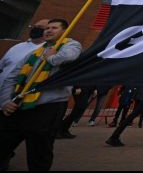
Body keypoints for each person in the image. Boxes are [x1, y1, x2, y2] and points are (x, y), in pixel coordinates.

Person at [0, 18, 82, 171]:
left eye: (54, 28)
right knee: (4, 142)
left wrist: (50, 57)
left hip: (47, 108)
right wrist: (5, 101)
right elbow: (13, 76)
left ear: (65, 31)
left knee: (39, 152)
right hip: (20, 105)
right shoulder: (34, 52)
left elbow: (69, 57)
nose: (48, 30)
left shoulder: (71, 45)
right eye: (47, 28)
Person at [0, 19, 49, 87]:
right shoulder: (18, 46)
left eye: (39, 27)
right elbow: (2, 66)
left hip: (17, 91)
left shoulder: (47, 50)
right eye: (34, 26)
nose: (35, 29)